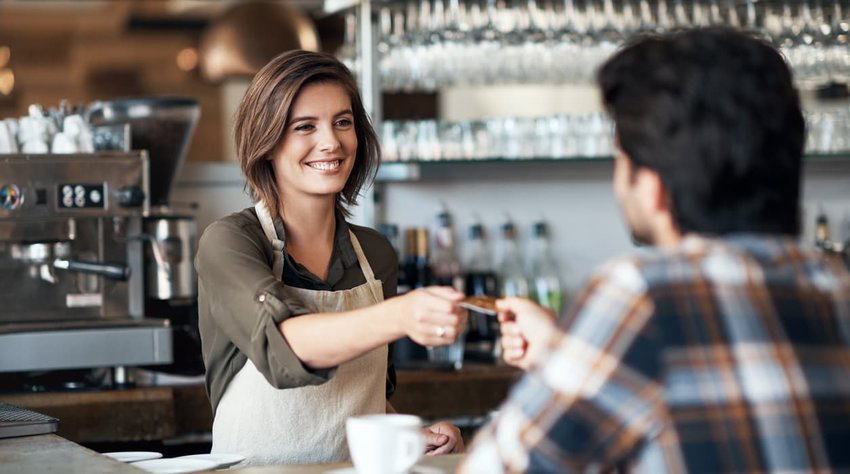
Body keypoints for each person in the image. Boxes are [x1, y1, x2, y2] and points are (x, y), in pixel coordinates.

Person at [461, 27, 850, 473]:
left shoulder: (644, 293)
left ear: (652, 188)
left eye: (620, 157)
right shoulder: (833, 286)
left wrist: (568, 354)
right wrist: (561, 351)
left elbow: (498, 466)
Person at [195, 50, 466, 466]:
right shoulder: (229, 242)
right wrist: (401, 314)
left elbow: (363, 401)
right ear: (266, 143)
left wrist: (416, 436)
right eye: (305, 127)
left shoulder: (375, 255)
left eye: (343, 122)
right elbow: (285, 346)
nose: (332, 142)